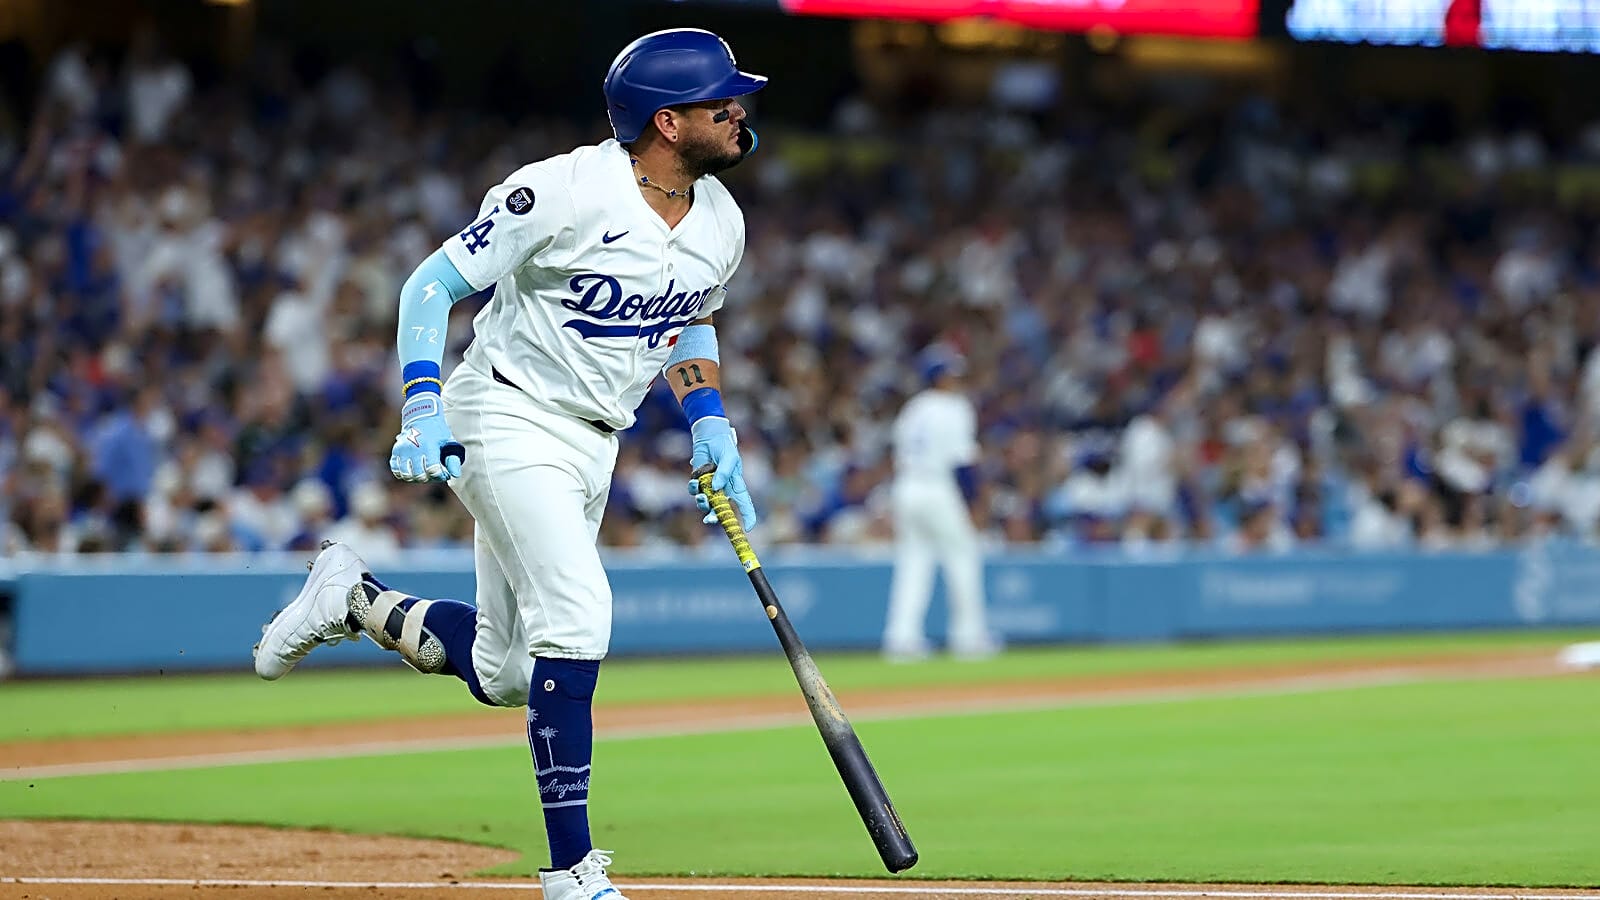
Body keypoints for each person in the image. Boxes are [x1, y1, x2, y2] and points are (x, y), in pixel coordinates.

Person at [250, 29, 765, 900]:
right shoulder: (562, 190)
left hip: (595, 438)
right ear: (668, 123)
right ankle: (570, 872)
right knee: (579, 611)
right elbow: (429, 285)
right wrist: (422, 402)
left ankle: (351, 598)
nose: (740, 110)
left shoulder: (722, 219)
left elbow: (688, 316)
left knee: (505, 671)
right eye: (723, 102)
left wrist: (710, 418)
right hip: (506, 412)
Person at [881, 345, 1000, 661]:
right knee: (963, 555)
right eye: (950, 372)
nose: (955, 378)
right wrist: (974, 503)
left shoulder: (914, 408)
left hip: (907, 487)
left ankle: (902, 638)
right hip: (937, 486)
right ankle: (968, 636)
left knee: (914, 562)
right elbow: (963, 463)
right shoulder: (954, 407)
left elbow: (896, 453)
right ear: (937, 376)